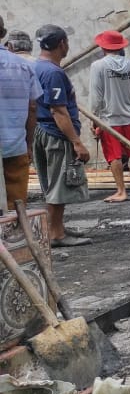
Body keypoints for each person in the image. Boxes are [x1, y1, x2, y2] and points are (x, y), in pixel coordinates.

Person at [32, 25, 91, 247]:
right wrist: (77, 142)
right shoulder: (53, 72)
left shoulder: (36, 67)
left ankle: (56, 228)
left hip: (41, 130)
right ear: (62, 44)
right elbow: (59, 110)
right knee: (59, 184)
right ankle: (56, 234)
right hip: (56, 134)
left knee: (52, 183)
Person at [88, 30, 130, 203]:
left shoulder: (98, 66)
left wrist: (94, 118)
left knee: (114, 155)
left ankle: (121, 191)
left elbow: (96, 95)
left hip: (109, 119)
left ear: (103, 47)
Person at [0, 25, 40, 213]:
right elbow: (33, 108)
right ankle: (14, 240)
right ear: (2, 34)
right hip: (15, 146)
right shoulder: (23, 65)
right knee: (16, 208)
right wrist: (29, 142)